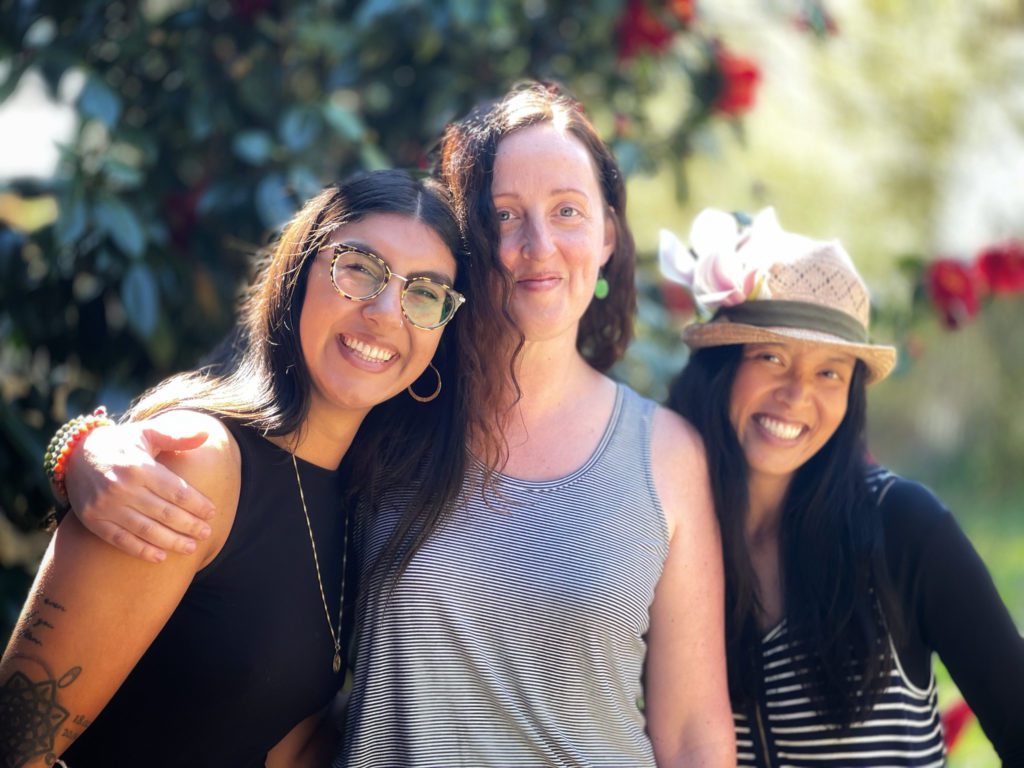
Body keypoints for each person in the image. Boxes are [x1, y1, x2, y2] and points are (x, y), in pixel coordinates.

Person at [42, 83, 736, 767]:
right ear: (470, 247)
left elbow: (694, 733)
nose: (539, 244)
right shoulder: (394, 412)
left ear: (610, 235)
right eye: (505, 214)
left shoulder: (667, 454)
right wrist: (86, 446)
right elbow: (247, 450)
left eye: (568, 211)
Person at [0, 169, 497, 768]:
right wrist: (76, 448)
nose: (386, 313)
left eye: (425, 294)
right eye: (361, 268)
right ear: (299, 274)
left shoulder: (361, 503)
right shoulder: (197, 461)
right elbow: (15, 742)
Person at [662, 207, 1024, 766]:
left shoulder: (903, 526)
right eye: (771, 357)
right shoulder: (667, 533)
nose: (798, 394)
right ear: (722, 367)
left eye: (830, 372)